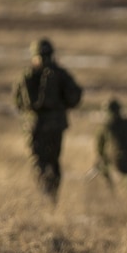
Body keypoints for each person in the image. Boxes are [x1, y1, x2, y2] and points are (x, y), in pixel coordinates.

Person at [12, 38, 83, 202]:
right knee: (53, 161)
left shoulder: (26, 75)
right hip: (55, 125)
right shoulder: (60, 74)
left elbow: (17, 102)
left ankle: (45, 195)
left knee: (39, 162)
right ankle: (52, 196)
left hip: (34, 126)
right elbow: (75, 97)